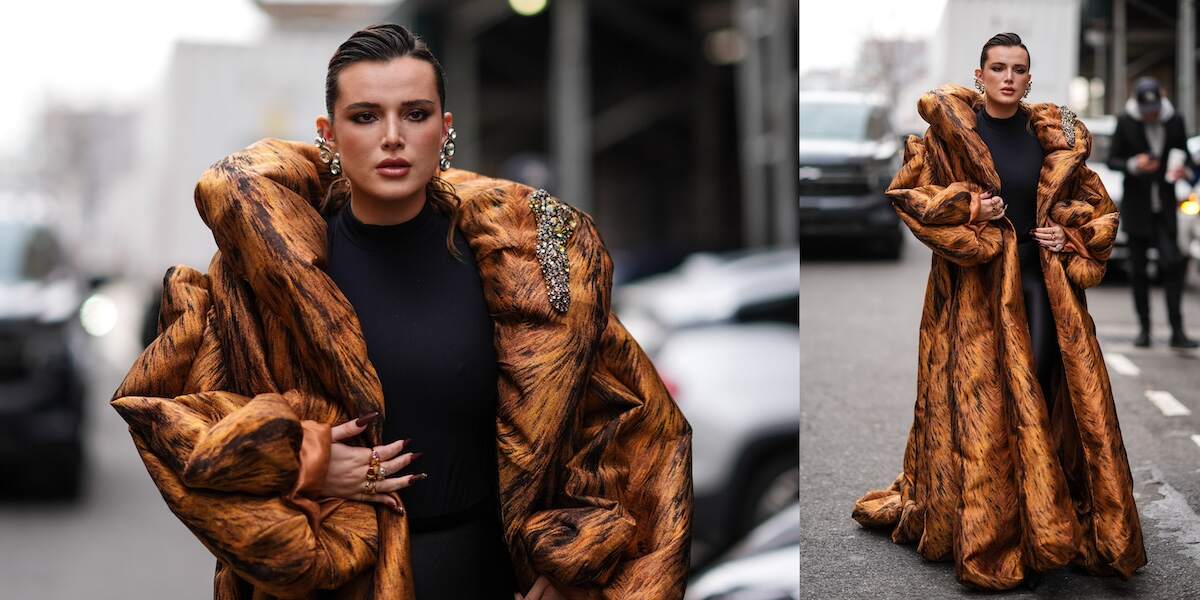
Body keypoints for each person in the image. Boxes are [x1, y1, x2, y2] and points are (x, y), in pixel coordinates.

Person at [111, 24, 693, 600]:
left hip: (489, 578)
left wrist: (576, 564)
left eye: (415, 114)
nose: (393, 136)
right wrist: (300, 461)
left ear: (445, 130)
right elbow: (169, 420)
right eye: (365, 116)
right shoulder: (266, 273)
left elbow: (635, 428)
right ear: (328, 136)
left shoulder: (524, 270)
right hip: (332, 582)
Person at [851, 33, 1146, 590]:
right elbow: (912, 198)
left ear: (1029, 79)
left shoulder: (1051, 139)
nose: (1008, 77)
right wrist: (967, 206)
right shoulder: (952, 136)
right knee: (988, 414)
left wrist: (1069, 233)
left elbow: (1099, 208)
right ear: (980, 74)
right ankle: (1001, 532)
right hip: (973, 298)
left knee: (1043, 397)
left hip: (1045, 290)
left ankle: (1050, 520)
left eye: (1018, 69)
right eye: (997, 68)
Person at [1107, 76, 1199, 348]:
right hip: (1138, 207)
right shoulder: (1126, 121)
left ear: (1162, 97)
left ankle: (1177, 329)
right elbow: (1113, 160)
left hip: (1166, 207)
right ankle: (1144, 329)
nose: (1151, 115)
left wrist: (1186, 171)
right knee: (1138, 270)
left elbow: (1187, 157)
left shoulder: (1175, 120)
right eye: (1146, 112)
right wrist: (1134, 164)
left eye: (1155, 110)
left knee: (1172, 264)